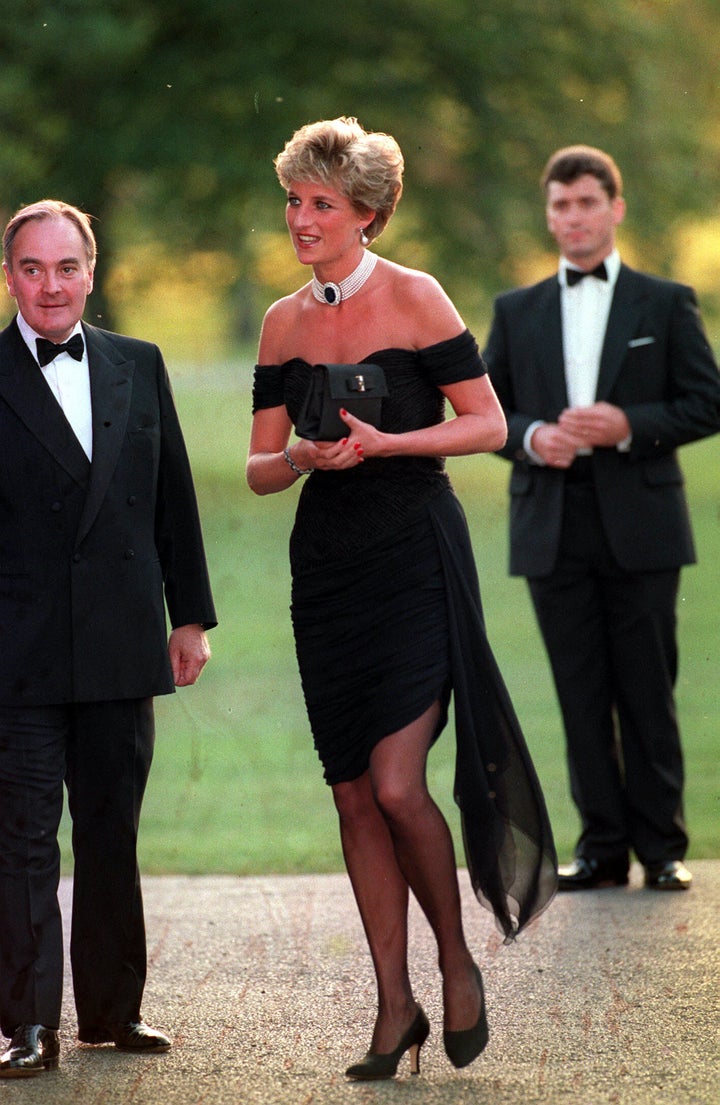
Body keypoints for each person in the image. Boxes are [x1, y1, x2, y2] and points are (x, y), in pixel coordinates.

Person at [247, 117, 556, 1081]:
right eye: (295, 200)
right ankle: (394, 1004)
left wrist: (388, 446)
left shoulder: (418, 298)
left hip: (416, 552)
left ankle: (457, 960)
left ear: (368, 215)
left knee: (394, 783)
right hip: (326, 569)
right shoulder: (281, 321)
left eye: (321, 204)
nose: (302, 218)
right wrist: (298, 455)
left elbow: (488, 424)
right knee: (349, 791)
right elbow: (258, 469)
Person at [0, 200, 216, 1077]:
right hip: (15, 648)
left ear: (93, 271)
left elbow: (173, 497)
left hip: (124, 639)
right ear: (10, 275)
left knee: (112, 829)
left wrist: (190, 614)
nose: (50, 285)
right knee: (19, 838)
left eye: (66, 267)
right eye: (31, 268)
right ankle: (25, 1026)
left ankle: (113, 1012)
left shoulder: (138, 362)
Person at [483, 145, 720, 894]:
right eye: (560, 205)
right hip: (551, 522)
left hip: (642, 521)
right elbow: (487, 413)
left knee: (648, 687)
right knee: (578, 690)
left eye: (587, 202)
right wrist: (531, 438)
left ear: (614, 208)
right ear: (548, 213)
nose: (573, 217)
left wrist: (627, 423)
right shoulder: (515, 311)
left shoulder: (666, 302)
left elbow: (706, 401)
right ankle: (601, 847)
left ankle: (662, 846)